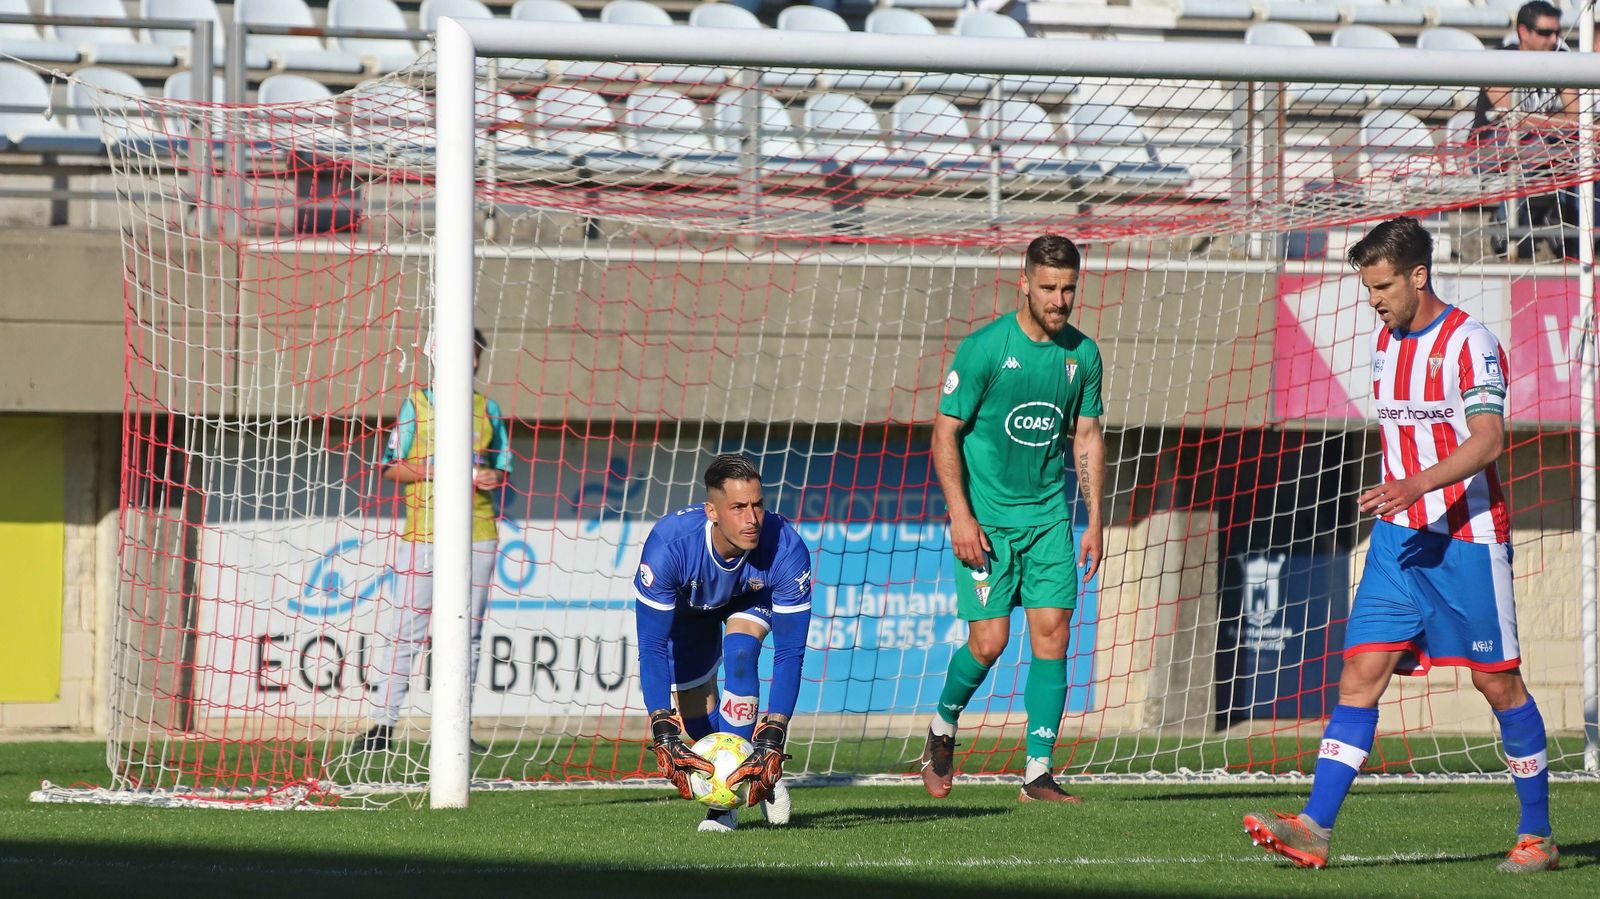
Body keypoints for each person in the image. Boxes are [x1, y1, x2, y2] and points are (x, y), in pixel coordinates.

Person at [1243, 217, 1556, 873]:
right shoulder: (1387, 343)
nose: (1376, 299)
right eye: (1368, 288)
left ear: (1418, 275)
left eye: (1384, 285)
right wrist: (1402, 496)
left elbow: (1489, 439)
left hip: (1466, 538)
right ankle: (1314, 828)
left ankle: (1538, 835)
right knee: (1360, 672)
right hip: (1398, 540)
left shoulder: (1471, 341)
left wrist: (1415, 483)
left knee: (1497, 684)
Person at [920, 234, 1106, 804]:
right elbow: (944, 432)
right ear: (1023, 283)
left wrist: (1095, 519)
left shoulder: (1084, 355)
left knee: (1053, 637)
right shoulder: (983, 349)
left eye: (1068, 288)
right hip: (988, 525)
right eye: (1049, 288)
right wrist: (960, 515)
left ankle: (1037, 773)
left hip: (1050, 520)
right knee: (990, 642)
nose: (1060, 299)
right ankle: (942, 729)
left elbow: (1088, 434)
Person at [635, 454, 814, 833]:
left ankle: (723, 808)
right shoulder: (669, 546)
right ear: (712, 511)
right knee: (697, 723)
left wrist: (774, 733)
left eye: (757, 505)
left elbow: (790, 652)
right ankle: (743, 770)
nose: (751, 519)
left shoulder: (786, 549)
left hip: (751, 600)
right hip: (690, 614)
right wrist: (662, 727)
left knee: (740, 654)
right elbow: (651, 647)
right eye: (738, 507)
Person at [362, 327, 511, 753]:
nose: (471, 361)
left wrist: (490, 477)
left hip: (478, 531)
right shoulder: (417, 404)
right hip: (424, 531)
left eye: (475, 354)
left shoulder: (487, 409)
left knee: (471, 633)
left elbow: (502, 469)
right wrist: (435, 470)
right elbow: (390, 466)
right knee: (406, 629)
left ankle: (457, 725)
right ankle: (381, 727)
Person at [1474, 2, 1579, 259]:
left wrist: (1538, 123)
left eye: (1557, 32)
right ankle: (1507, 232)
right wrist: (1554, 122)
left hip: (1541, 150)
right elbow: (1513, 119)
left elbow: (1576, 118)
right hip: (1489, 149)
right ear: (1524, 31)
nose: (1554, 39)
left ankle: (1572, 237)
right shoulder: (1499, 61)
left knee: (1580, 155)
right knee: (1533, 151)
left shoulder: (1561, 59)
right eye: (1545, 33)